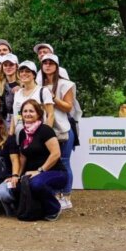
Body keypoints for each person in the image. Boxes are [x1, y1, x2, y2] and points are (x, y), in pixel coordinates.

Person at [0, 99, 67, 221]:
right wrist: (17, 175)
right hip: (32, 173)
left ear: (38, 114)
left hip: (55, 172)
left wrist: (40, 171)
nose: (27, 114)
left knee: (36, 184)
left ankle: (54, 208)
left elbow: (56, 154)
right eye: (25, 111)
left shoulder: (45, 130)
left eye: (31, 111)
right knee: (16, 186)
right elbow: (23, 157)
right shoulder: (23, 133)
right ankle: (34, 210)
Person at [41, 53, 77, 210]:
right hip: (45, 128)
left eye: (51, 63)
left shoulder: (65, 84)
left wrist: (53, 98)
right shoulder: (39, 85)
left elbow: (69, 107)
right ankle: (55, 195)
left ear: (56, 66)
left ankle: (67, 196)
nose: (47, 65)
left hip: (63, 129)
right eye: (45, 63)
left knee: (63, 161)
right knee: (51, 162)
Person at [11, 60, 54, 136]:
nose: (24, 73)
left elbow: (50, 114)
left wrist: (46, 135)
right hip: (19, 133)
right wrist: (11, 134)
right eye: (21, 71)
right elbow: (15, 115)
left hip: (38, 134)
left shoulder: (43, 91)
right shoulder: (17, 93)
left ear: (34, 75)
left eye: (27, 71)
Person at [0, 53, 19, 127]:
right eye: (5, 65)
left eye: (11, 65)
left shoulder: (23, 84)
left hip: (20, 120)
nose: (8, 67)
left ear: (16, 66)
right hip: (4, 122)